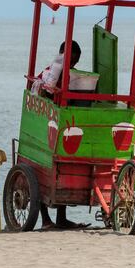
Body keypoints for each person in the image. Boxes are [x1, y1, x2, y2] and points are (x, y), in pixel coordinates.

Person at [35, 40, 88, 229]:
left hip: (62, 125)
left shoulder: (71, 75)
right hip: (45, 124)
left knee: (62, 167)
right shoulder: (50, 72)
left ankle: (61, 218)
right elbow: (41, 92)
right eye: (70, 61)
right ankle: (45, 219)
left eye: (75, 62)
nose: (72, 65)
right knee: (41, 169)